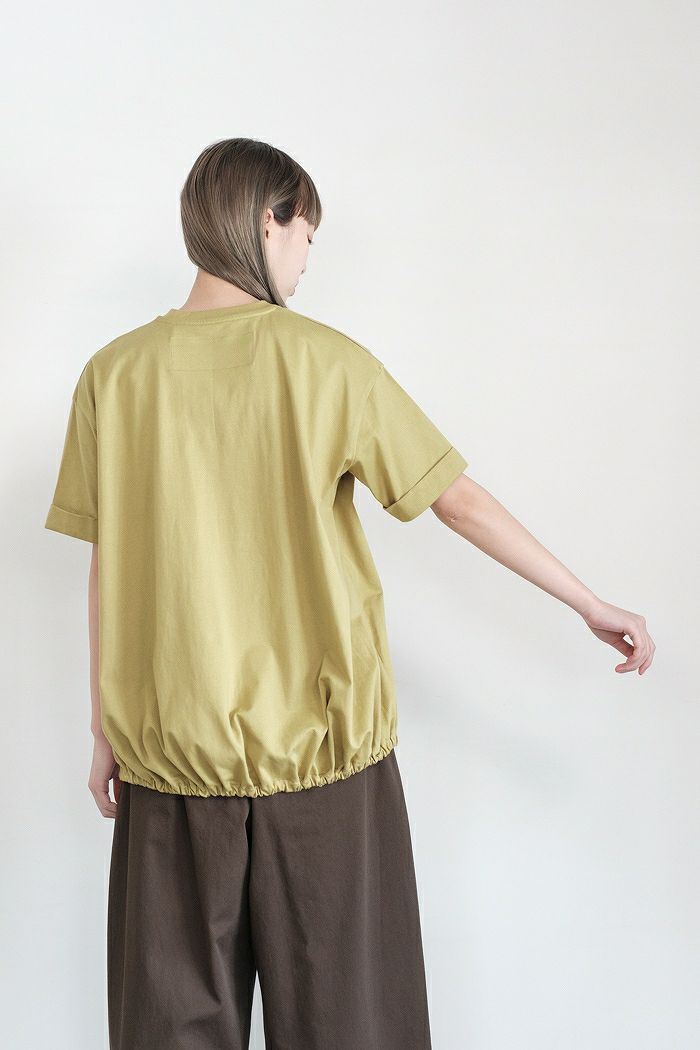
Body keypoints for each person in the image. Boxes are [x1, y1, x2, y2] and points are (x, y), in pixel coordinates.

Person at [44, 137, 655, 1050]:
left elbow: (110, 563)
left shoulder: (115, 375)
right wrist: (588, 601)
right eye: (307, 236)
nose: (305, 260)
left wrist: (104, 729)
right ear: (269, 221)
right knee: (352, 1028)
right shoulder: (326, 362)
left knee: (167, 1031)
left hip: (171, 773)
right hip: (325, 779)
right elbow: (456, 500)